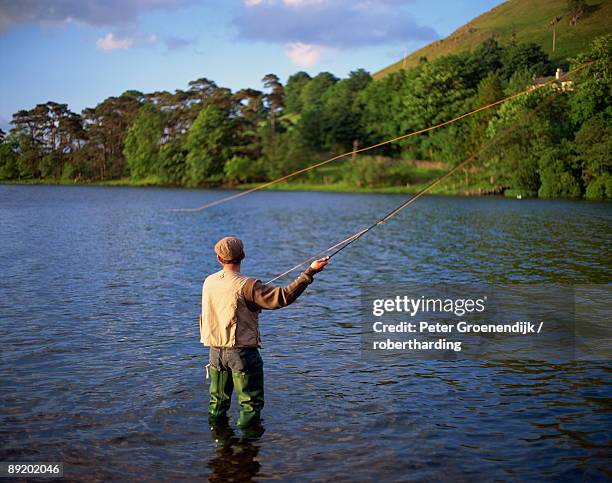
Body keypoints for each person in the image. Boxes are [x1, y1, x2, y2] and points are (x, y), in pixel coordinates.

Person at [200, 236, 329, 428]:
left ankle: (219, 441)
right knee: (250, 406)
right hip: (242, 355)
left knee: (217, 402)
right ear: (243, 255)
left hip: (215, 353)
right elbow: (283, 297)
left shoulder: (209, 282)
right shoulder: (248, 285)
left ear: (219, 258)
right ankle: (246, 448)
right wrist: (310, 272)